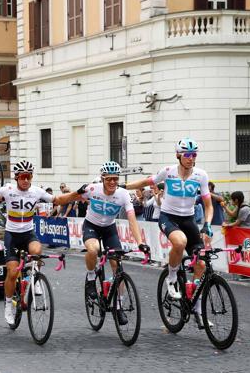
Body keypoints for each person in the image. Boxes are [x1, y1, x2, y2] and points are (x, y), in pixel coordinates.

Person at [0, 160, 79, 325]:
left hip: (28, 233)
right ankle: (9, 305)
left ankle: (35, 278)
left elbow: (58, 200)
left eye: (29, 176)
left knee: (37, 250)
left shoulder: (36, 191)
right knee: (11, 272)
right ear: (17, 178)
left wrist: (77, 193)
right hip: (12, 235)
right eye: (23, 177)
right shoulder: (8, 190)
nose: (26, 180)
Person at [125, 138, 212, 329]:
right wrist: (125, 186)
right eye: (187, 155)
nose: (191, 158)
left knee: (201, 264)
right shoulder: (168, 172)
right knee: (179, 242)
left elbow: (208, 205)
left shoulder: (201, 175)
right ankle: (171, 278)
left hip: (188, 220)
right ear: (178, 155)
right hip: (168, 218)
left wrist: (208, 224)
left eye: (194, 154)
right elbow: (147, 181)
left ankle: (196, 306)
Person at [67, 161, 149, 325]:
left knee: (117, 267)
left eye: (115, 179)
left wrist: (140, 242)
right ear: (103, 178)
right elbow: (70, 198)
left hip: (109, 229)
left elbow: (132, 219)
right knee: (93, 249)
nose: (112, 182)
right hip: (91, 226)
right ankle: (91, 278)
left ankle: (118, 306)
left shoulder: (123, 194)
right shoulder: (92, 189)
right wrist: (60, 198)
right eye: (109, 179)